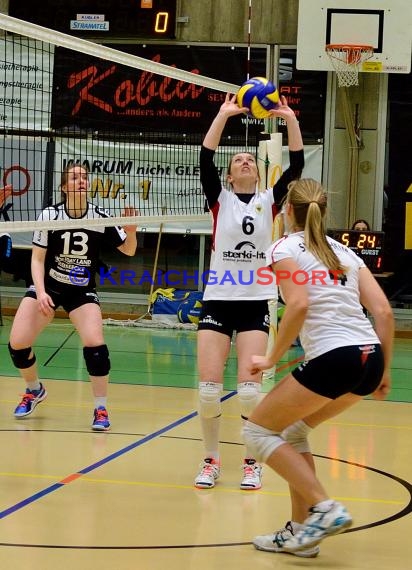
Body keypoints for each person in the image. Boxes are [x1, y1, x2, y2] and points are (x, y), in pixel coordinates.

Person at [241, 178, 393, 556]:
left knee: (257, 432)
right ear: (323, 213)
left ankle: (324, 508)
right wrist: (384, 371)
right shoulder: (347, 253)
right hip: (368, 356)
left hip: (334, 355)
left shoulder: (284, 248)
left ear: (286, 210)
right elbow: (384, 313)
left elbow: (298, 305)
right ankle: (301, 533)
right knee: (292, 431)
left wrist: (272, 358)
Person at [194, 93, 304, 490]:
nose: (243, 161)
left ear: (258, 174)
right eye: (236, 160)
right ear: (229, 176)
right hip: (218, 299)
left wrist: (289, 119)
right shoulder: (219, 199)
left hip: (256, 299)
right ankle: (210, 460)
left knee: (247, 392)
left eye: (248, 160)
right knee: (208, 390)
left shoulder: (268, 201)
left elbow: (298, 166)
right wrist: (223, 114)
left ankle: (250, 462)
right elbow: (205, 158)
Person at [8, 164, 137, 431]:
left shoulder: (99, 217)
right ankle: (34, 390)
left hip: (81, 290)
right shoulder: (50, 214)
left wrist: (132, 231)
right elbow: (37, 258)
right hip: (50, 286)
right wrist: (41, 291)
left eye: (84, 178)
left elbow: (129, 250)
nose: (81, 181)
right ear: (65, 187)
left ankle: (100, 408)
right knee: (17, 344)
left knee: (96, 346)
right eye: (75, 178)